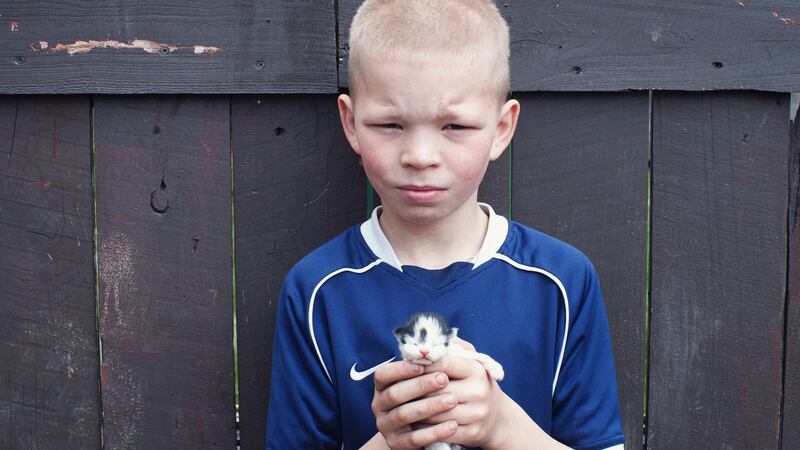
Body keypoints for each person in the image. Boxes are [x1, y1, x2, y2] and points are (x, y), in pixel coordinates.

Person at [265, 0, 625, 448]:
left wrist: (499, 425)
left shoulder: (562, 281)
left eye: (454, 126)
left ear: (501, 128)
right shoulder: (317, 289)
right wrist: (391, 439)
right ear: (351, 122)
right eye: (390, 123)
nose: (420, 156)